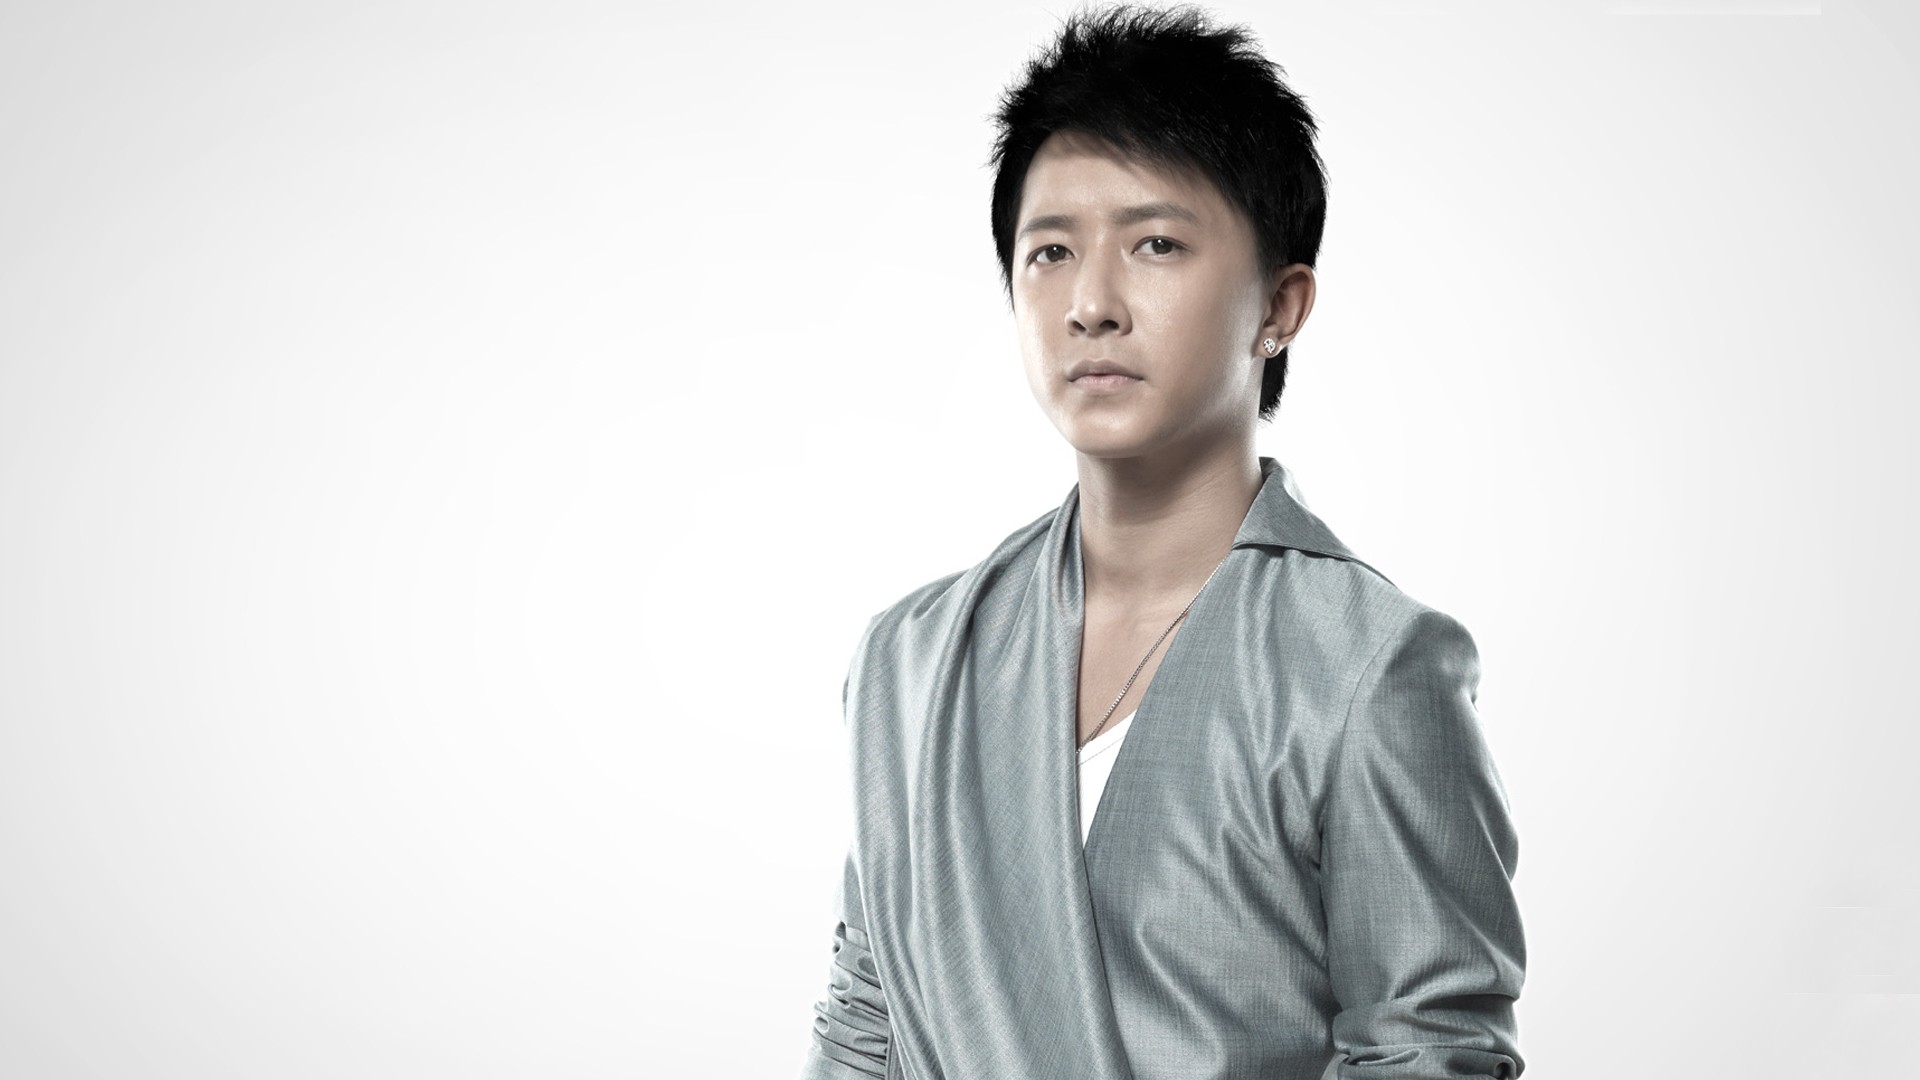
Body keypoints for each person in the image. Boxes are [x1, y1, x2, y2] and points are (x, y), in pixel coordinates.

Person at [800, 5, 1526, 1078]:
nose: (1091, 303)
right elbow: (869, 1018)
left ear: (1281, 304)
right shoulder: (910, 659)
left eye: (1156, 244)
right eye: (1051, 251)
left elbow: (1428, 1051)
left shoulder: (1369, 666)